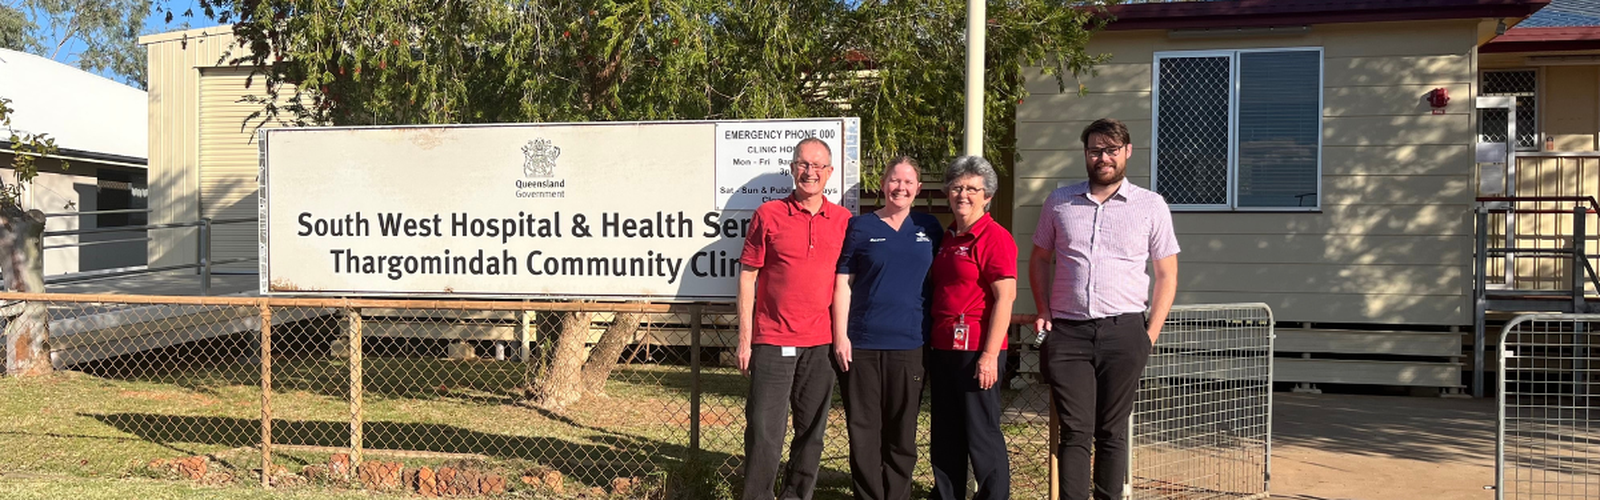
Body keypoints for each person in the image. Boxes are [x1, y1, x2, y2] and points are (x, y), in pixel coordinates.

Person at [1028, 118, 1179, 500]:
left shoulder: (1151, 205)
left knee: (1112, 430)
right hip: (1069, 333)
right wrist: (1043, 307)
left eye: (1112, 150)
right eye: (1096, 150)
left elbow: (1166, 275)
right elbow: (1039, 259)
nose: (1103, 157)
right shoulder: (1059, 202)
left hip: (1125, 332)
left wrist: (1149, 335)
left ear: (1127, 152)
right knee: (1076, 430)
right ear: (1086, 154)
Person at [737, 137, 850, 500]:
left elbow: (848, 283)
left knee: (812, 431)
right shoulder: (768, 215)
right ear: (792, 168)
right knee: (764, 430)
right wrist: (744, 339)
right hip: (771, 340)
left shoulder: (844, 221)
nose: (810, 172)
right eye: (803, 164)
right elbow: (747, 276)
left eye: (818, 166)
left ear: (830, 173)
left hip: (820, 343)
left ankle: (797, 495)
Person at [831, 156, 943, 500]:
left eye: (909, 182)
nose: (901, 187)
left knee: (902, 431)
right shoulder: (861, 227)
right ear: (882, 185)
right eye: (894, 180)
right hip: (862, 344)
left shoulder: (930, 228)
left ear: (918, 189)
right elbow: (842, 283)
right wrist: (841, 336)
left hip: (910, 344)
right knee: (863, 430)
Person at [927, 155, 1016, 500]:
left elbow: (1005, 298)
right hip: (944, 348)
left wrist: (990, 355)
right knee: (946, 434)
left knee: (981, 433)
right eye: (957, 187)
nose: (963, 194)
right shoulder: (948, 237)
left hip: (978, 350)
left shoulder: (994, 237)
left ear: (987, 196)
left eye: (973, 189)